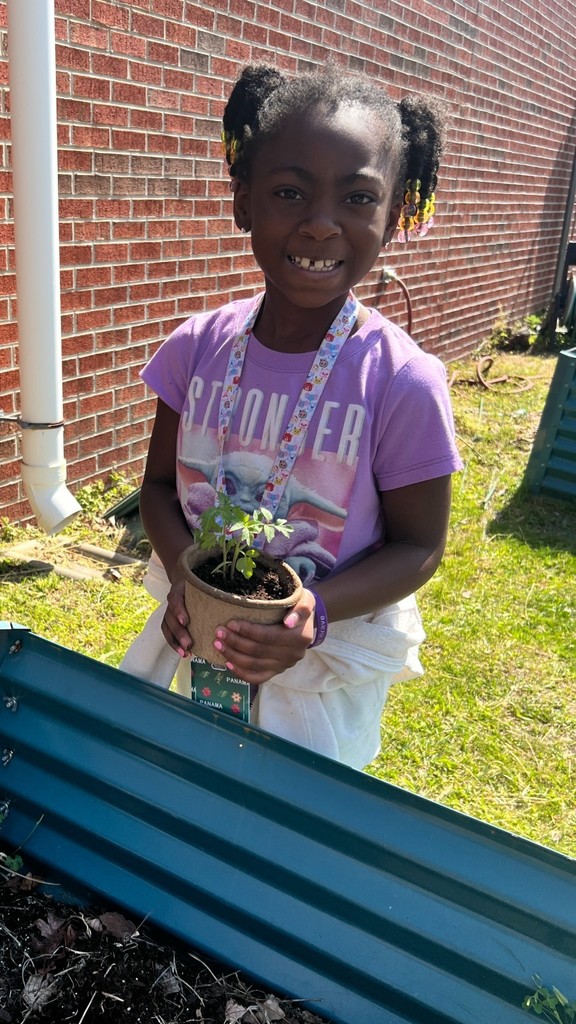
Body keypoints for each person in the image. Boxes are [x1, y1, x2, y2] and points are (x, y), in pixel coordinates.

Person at [120, 64, 462, 769]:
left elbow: (418, 546)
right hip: (204, 633)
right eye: (288, 191)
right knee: (199, 782)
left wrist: (316, 613)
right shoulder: (195, 349)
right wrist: (185, 576)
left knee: (292, 832)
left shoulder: (401, 382)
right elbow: (157, 489)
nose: (320, 223)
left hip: (320, 671)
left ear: (396, 214)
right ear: (243, 199)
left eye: (358, 196)